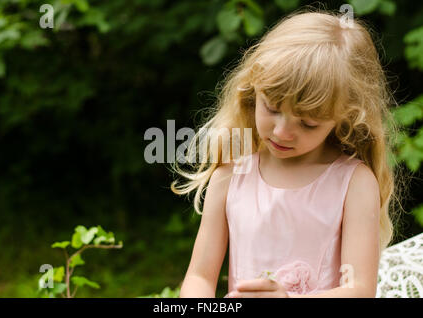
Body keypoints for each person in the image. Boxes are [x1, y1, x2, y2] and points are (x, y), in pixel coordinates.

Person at [170, 9, 407, 298]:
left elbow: (359, 290)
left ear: (344, 117)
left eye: (308, 123)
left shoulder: (354, 182)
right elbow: (199, 276)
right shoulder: (231, 174)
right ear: (252, 92)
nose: (282, 132)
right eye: (271, 108)